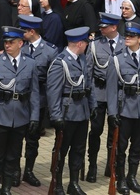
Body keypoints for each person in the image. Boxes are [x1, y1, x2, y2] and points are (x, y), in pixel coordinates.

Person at [0, 26, 40, 195]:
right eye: (5, 42)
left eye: (11, 42)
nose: (7, 45)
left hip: (21, 115)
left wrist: (34, 116)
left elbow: (34, 92)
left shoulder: (30, 63)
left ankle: (6, 188)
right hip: (0, 115)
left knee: (14, 155)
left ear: (20, 43)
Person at [106, 21, 140, 195]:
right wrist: (112, 112)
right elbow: (112, 89)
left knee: (137, 146)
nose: (127, 38)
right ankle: (120, 179)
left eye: (131, 36)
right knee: (121, 147)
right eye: (127, 36)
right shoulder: (117, 59)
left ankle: (132, 177)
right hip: (124, 108)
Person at [46, 26, 97, 195]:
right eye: (86, 43)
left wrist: (93, 105)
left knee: (79, 149)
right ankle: (57, 182)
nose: (88, 46)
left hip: (81, 111)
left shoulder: (82, 59)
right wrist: (56, 116)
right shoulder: (60, 62)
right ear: (80, 44)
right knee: (61, 149)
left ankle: (73, 183)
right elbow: (53, 92)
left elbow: (88, 85)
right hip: (66, 112)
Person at [19, 14, 59, 187]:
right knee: (17, 137)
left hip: (39, 101)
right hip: (21, 99)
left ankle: (28, 170)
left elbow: (52, 81)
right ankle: (14, 170)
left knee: (33, 138)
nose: (21, 33)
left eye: (23, 30)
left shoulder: (50, 50)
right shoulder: (21, 48)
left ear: (32, 31)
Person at [86, 13, 122, 183]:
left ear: (114, 27)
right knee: (96, 130)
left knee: (114, 133)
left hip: (117, 95)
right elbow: (88, 71)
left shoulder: (125, 44)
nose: (101, 29)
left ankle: (111, 165)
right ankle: (92, 166)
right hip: (99, 93)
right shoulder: (95, 45)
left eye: (104, 27)